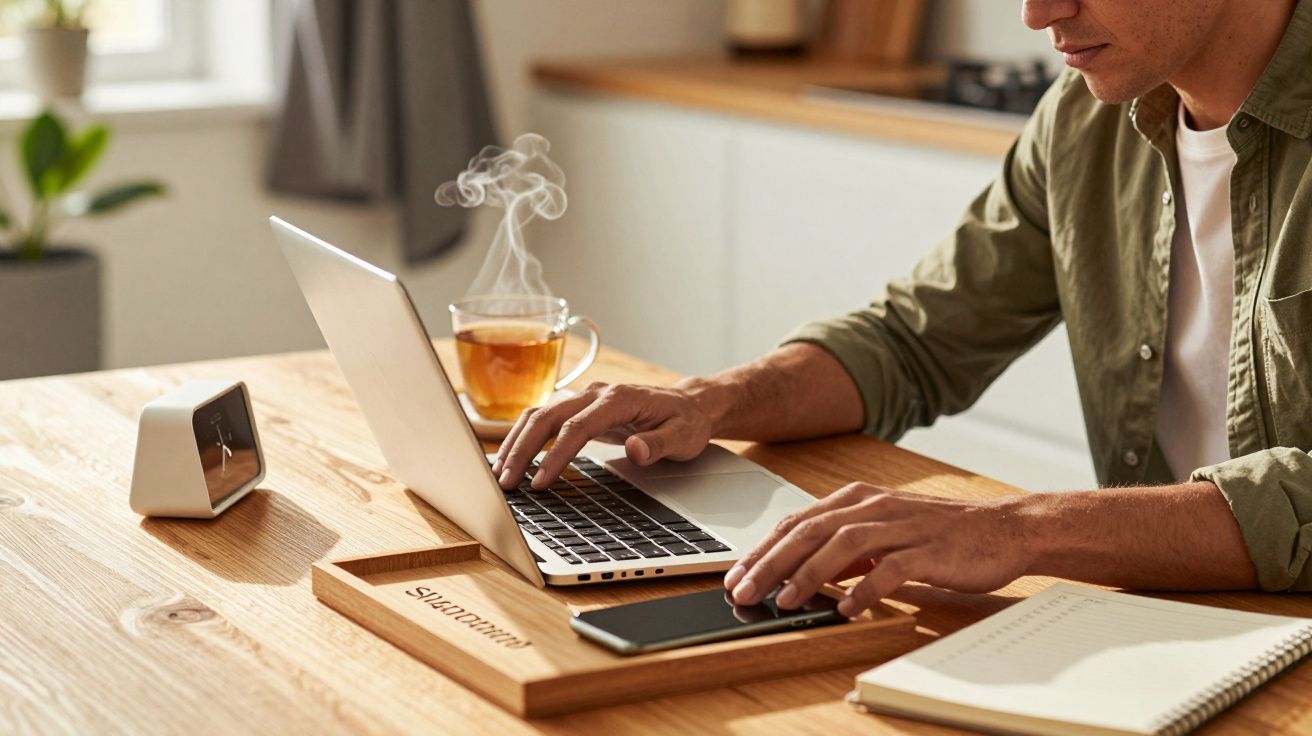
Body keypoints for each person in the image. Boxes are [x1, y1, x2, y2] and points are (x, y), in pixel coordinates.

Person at [495, 0, 1312, 616]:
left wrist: (1015, 530)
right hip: (1168, 624)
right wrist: (710, 401)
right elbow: (913, 341)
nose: (1037, 14)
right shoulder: (1081, 121)